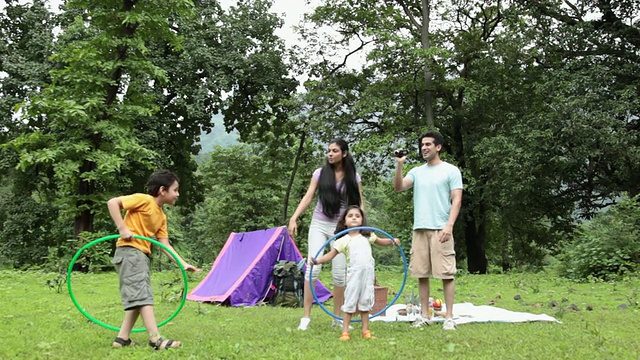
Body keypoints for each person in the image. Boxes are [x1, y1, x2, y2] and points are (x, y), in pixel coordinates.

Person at [107, 170, 201, 349]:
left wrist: (182, 263)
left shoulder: (162, 216)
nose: (178, 194)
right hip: (130, 251)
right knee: (143, 297)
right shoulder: (144, 200)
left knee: (138, 296)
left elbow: (164, 244)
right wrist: (122, 228)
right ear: (162, 190)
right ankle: (155, 339)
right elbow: (112, 202)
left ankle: (122, 339)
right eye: (175, 190)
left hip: (140, 255)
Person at [288, 138, 364, 331]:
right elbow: (308, 196)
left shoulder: (353, 177)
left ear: (344, 154)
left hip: (341, 228)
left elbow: (359, 203)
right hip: (320, 225)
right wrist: (294, 217)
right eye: (329, 150)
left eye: (335, 151)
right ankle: (306, 317)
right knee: (313, 268)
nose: (330, 154)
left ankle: (337, 318)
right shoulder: (320, 174)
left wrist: (359, 226)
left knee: (340, 276)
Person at [393, 130, 463, 331]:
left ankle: (449, 317)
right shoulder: (416, 171)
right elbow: (399, 187)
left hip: (441, 228)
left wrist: (449, 225)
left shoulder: (451, 170)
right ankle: (425, 315)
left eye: (428, 144)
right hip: (420, 228)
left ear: (438, 147)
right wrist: (400, 165)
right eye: (422, 145)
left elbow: (457, 199)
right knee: (421, 274)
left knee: (446, 274)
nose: (424, 148)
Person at [311, 205, 399, 340]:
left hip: (368, 276)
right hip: (354, 275)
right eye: (350, 216)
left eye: (357, 216)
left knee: (365, 302)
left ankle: (365, 331)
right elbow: (330, 255)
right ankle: (345, 331)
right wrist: (316, 261)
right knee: (350, 301)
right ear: (344, 222)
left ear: (362, 220)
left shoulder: (368, 235)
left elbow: (381, 241)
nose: (354, 218)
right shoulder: (343, 240)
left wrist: (392, 241)